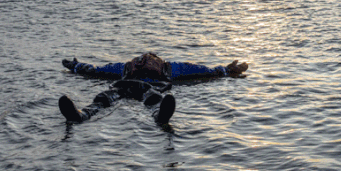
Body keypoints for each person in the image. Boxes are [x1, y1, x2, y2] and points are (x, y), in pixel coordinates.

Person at [58, 52, 248, 125]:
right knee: (151, 99)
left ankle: (83, 115)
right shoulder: (170, 67)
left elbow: (95, 71)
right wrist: (224, 70)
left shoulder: (125, 67)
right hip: (147, 88)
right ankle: (80, 115)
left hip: (126, 86)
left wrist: (75, 66)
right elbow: (201, 71)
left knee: (106, 98)